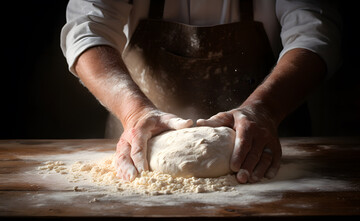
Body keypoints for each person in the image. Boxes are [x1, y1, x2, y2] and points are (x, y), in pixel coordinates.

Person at [60, 0, 341, 183]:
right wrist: (134, 112)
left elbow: (317, 32)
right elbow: (86, 30)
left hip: (265, 148)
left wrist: (264, 109)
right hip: (142, 141)